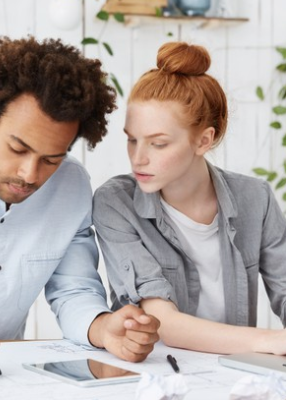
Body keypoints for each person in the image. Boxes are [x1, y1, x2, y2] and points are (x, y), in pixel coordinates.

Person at [0, 35, 160, 381]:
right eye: (18, 149)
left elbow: (73, 290)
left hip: (5, 377)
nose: (30, 175)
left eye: (51, 159)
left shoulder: (71, 186)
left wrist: (105, 329)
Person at [93, 41, 286, 356]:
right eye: (132, 140)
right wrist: (269, 341)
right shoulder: (115, 203)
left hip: (234, 376)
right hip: (155, 376)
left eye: (158, 143)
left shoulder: (256, 198)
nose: (138, 158)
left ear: (203, 140)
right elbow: (161, 320)